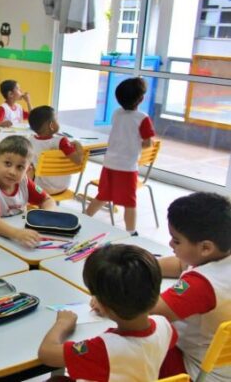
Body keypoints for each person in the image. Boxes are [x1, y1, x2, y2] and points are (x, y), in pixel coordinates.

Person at [38, 244, 177, 381]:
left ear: (103, 306)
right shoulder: (165, 326)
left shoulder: (103, 349)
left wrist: (62, 323)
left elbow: (46, 353)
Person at [152, 193, 231, 381]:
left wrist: (110, 293)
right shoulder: (219, 253)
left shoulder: (202, 285)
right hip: (221, 363)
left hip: (195, 369)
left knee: (128, 344)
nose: (170, 244)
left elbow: (146, 310)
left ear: (205, 248)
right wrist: (145, 265)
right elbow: (181, 264)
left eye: (176, 241)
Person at [85, 77, 155, 235]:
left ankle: (85, 217)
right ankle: (131, 232)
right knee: (130, 202)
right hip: (127, 167)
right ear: (141, 99)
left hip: (109, 163)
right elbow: (148, 143)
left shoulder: (116, 113)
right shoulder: (143, 118)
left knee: (102, 195)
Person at [0, 135, 55, 248]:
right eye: (7, 163)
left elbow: (47, 200)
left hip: (15, 237)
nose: (12, 172)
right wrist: (17, 233)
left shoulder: (24, 182)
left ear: (28, 170)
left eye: (20, 167)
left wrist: (47, 215)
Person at [27, 105, 83, 195]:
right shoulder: (61, 141)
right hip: (63, 187)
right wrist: (78, 145)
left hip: (40, 189)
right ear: (51, 125)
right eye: (56, 119)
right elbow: (78, 161)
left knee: (29, 166)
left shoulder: (30, 140)